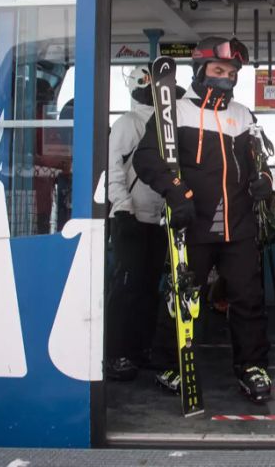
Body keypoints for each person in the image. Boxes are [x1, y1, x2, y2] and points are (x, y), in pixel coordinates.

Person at [133, 36, 275, 403]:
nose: (225, 78)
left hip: (238, 224)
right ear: (200, 71)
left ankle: (251, 366)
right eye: (218, 70)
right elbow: (146, 159)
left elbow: (260, 160)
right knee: (184, 296)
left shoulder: (243, 115)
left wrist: (264, 182)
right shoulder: (175, 111)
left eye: (231, 73)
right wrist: (173, 191)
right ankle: (168, 362)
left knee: (247, 297)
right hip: (192, 222)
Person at [104, 66, 168, 381]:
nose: (151, 89)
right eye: (146, 84)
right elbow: (112, 167)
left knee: (147, 289)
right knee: (126, 287)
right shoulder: (128, 124)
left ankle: (140, 349)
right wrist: (121, 207)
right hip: (129, 218)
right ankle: (115, 353)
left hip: (156, 220)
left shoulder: (165, 125)